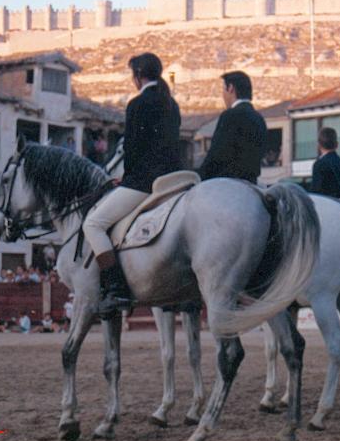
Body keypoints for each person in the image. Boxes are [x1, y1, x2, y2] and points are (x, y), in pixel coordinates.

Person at [83, 52, 182, 317]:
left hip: (144, 183)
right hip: (173, 180)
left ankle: (116, 289)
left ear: (138, 76)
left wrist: (126, 180)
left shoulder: (137, 104)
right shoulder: (172, 104)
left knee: (93, 224)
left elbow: (134, 151)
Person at [198, 71, 267, 184]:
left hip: (227, 181)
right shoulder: (259, 118)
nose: (223, 95)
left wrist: (199, 177)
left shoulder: (230, 115)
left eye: (223, 89)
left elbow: (217, 154)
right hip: (252, 181)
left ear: (230, 88)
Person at [310, 127, 340, 199]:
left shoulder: (319, 165)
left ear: (319, 146)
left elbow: (316, 193)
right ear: (337, 144)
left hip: (328, 204)